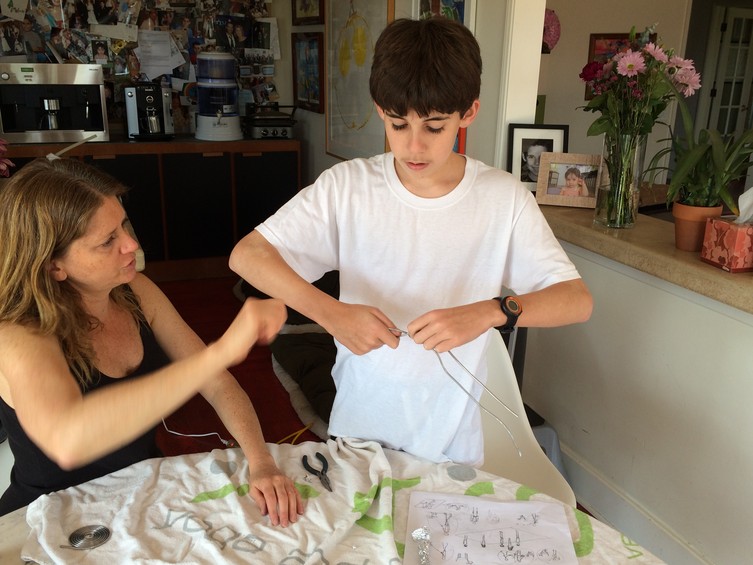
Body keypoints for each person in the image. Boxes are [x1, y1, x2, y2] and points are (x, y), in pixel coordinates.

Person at [229, 17, 592, 467]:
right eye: (398, 124)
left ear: (468, 113)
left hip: (455, 444)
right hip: (360, 429)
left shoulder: (504, 198)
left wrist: (491, 311)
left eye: (434, 127)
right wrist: (332, 314)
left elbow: (576, 300)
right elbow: (248, 256)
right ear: (380, 110)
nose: (413, 146)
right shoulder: (347, 186)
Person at [0, 158, 303, 526]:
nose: (131, 244)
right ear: (54, 265)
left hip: (136, 495)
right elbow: (69, 440)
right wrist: (219, 353)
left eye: (124, 224)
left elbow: (217, 384)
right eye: (107, 241)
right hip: (48, 517)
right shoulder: (19, 334)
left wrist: (262, 461)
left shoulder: (134, 290)